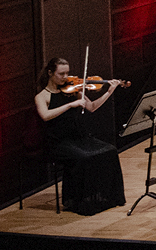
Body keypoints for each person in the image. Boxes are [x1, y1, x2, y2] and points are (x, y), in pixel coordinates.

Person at [34, 58, 125, 215]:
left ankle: (106, 198)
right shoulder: (42, 96)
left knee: (110, 150)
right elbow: (45, 115)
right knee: (85, 158)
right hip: (58, 143)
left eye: (67, 73)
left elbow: (92, 107)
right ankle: (81, 202)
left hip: (79, 138)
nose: (66, 77)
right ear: (50, 73)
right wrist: (70, 105)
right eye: (61, 74)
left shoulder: (74, 90)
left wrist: (109, 91)